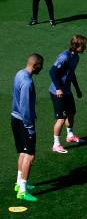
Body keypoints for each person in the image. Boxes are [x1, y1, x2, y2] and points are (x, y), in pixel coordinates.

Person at [12, 54, 44, 202]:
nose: (42, 69)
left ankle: (19, 184)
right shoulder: (27, 82)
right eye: (41, 66)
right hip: (24, 122)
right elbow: (24, 105)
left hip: (15, 118)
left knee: (22, 152)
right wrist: (29, 125)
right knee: (30, 155)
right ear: (35, 65)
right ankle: (23, 191)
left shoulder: (19, 73)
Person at [49, 35, 87, 154]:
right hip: (57, 92)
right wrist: (58, 89)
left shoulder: (75, 57)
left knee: (71, 113)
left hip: (67, 91)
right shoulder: (64, 57)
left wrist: (77, 89)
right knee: (61, 118)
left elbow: (71, 74)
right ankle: (56, 144)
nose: (85, 48)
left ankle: (70, 135)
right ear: (76, 46)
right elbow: (52, 71)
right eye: (83, 45)